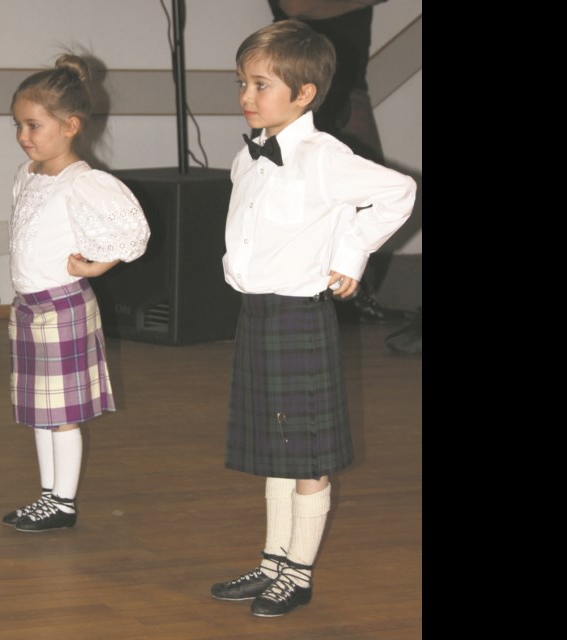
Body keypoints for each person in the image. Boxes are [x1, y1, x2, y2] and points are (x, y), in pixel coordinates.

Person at [210, 20, 416, 617]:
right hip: (258, 314)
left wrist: (350, 254)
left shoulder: (323, 157)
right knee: (277, 449)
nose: (246, 97)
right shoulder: (245, 157)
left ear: (303, 94)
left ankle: (296, 573)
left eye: (260, 85)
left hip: (299, 317)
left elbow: (398, 190)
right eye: (242, 84)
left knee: (305, 455)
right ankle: (273, 560)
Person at [0, 54, 151, 533]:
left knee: (61, 415)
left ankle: (63, 503)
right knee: (40, 413)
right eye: (18, 125)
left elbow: (134, 234)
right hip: (29, 308)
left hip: (61, 306)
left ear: (69, 125)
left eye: (33, 124)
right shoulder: (29, 174)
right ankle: (48, 495)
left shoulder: (84, 182)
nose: (24, 135)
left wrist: (96, 265)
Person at [267, 0, 401, 323]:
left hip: (351, 86)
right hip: (300, 90)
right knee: (297, 202)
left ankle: (353, 293)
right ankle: (309, 296)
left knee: (372, 196)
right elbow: (295, 6)